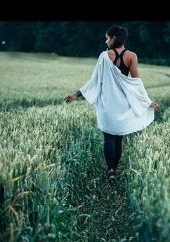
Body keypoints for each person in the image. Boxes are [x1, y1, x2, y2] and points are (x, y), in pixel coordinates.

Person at [64, 25, 161, 183]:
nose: (105, 41)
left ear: (114, 38)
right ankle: (114, 170)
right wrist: (148, 102)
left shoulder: (104, 56)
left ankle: (110, 171)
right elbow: (136, 83)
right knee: (118, 138)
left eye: (107, 37)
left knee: (108, 137)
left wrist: (77, 94)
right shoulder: (131, 56)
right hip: (123, 104)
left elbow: (95, 81)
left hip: (107, 104)